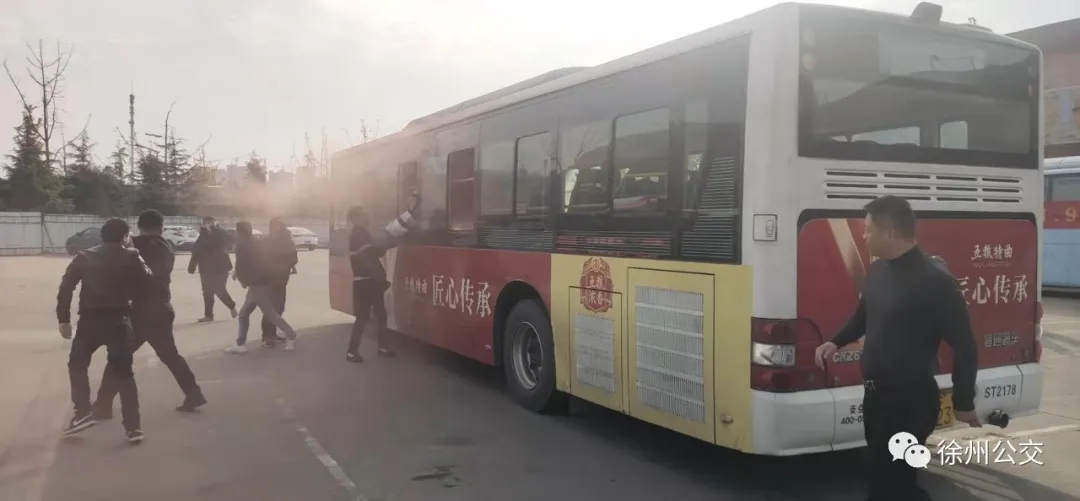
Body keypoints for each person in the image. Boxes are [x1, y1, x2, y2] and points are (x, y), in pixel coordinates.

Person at [813, 195, 979, 501]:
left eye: (868, 230)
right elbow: (864, 316)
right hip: (875, 398)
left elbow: (965, 346)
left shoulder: (936, 283)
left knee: (892, 482)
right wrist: (834, 342)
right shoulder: (879, 271)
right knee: (886, 477)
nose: (863, 236)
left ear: (889, 231)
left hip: (910, 402)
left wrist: (963, 401)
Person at [93, 210, 207, 418]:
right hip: (161, 309)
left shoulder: (133, 247)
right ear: (161, 228)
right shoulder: (167, 247)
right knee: (171, 356)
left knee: (119, 358)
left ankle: (102, 405)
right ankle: (194, 394)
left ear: (139, 226)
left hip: (139, 312)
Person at [57, 218, 151, 444]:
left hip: (89, 322)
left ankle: (82, 412)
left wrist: (64, 320)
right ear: (125, 237)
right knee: (124, 373)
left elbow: (66, 287)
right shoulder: (131, 256)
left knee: (77, 365)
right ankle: (133, 428)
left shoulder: (84, 256)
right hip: (118, 321)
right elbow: (148, 278)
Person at [225, 221, 299, 354]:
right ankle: (241, 343)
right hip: (261, 282)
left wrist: (241, 279)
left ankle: (291, 335)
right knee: (246, 314)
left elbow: (241, 264)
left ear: (239, 231)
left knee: (268, 314)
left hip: (257, 285)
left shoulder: (243, 244)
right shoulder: (256, 241)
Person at [345, 206, 395, 363]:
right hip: (368, 281)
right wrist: (380, 278)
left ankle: (372, 348)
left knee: (372, 315)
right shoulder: (360, 234)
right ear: (357, 218)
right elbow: (369, 259)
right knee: (370, 315)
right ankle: (355, 351)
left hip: (364, 280)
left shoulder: (358, 234)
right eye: (364, 215)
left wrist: (387, 244)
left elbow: (372, 253)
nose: (367, 218)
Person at [188, 216, 237, 322]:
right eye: (207, 223)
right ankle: (208, 315)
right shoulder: (202, 237)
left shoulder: (221, 233)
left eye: (211, 222)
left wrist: (216, 230)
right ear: (203, 225)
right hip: (205, 269)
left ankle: (231, 306)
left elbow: (231, 240)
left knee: (219, 289)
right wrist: (192, 266)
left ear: (215, 223)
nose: (209, 224)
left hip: (221, 267)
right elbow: (196, 251)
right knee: (207, 292)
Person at [260, 218, 298, 348]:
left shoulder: (266, 241)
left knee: (272, 307)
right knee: (276, 307)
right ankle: (269, 335)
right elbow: (294, 259)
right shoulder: (285, 241)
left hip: (271, 278)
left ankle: (269, 334)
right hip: (278, 278)